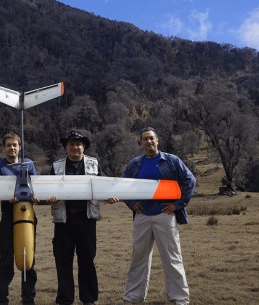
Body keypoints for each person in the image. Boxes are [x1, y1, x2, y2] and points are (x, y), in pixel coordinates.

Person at [119, 127, 196, 305]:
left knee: (172, 257)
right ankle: (132, 297)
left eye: (151, 138)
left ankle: (180, 299)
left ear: (157, 140)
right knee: (138, 258)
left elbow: (190, 181)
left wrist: (177, 204)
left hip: (165, 215)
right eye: (145, 139)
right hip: (142, 216)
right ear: (141, 143)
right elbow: (122, 185)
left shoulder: (171, 160)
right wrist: (131, 203)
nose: (149, 142)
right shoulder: (135, 164)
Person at [47, 129, 102, 305]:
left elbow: (104, 186)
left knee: (87, 259)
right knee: (63, 261)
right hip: (64, 221)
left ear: (84, 147)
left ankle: (89, 299)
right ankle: (64, 299)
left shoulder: (94, 164)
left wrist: (111, 195)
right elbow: (47, 190)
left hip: (87, 220)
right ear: (66, 147)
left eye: (78, 144)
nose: (75, 147)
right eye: (71, 144)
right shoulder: (56, 166)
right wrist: (50, 197)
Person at [0, 132, 38, 305]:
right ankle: (2, 299)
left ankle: (28, 298)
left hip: (28, 216)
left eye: (14, 145)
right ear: (4, 148)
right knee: (6, 259)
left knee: (29, 257)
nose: (12, 148)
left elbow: (36, 187)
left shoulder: (29, 164)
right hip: (8, 217)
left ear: (20, 147)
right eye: (8, 145)